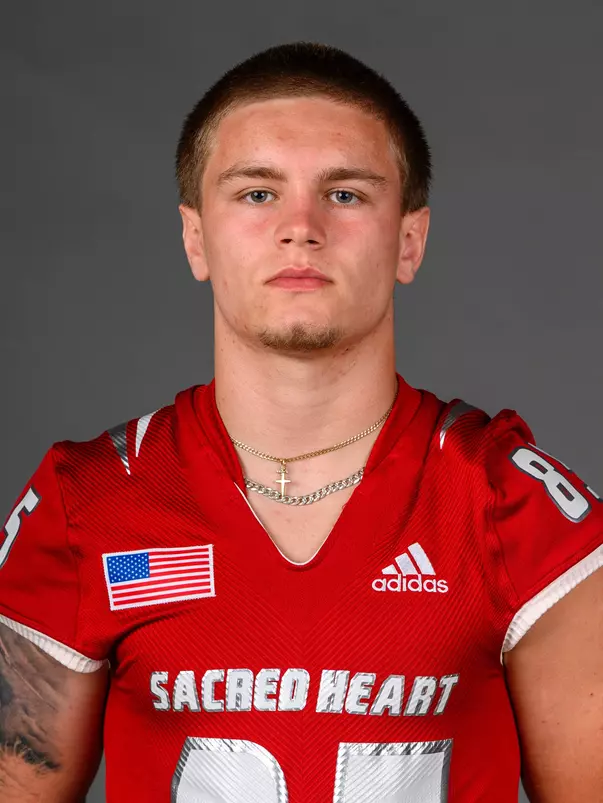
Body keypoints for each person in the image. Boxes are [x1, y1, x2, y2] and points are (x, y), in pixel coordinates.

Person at [0, 41, 601, 803]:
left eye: (345, 194)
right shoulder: (88, 500)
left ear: (408, 240)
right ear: (195, 237)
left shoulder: (517, 509)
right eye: (256, 194)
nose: (301, 227)